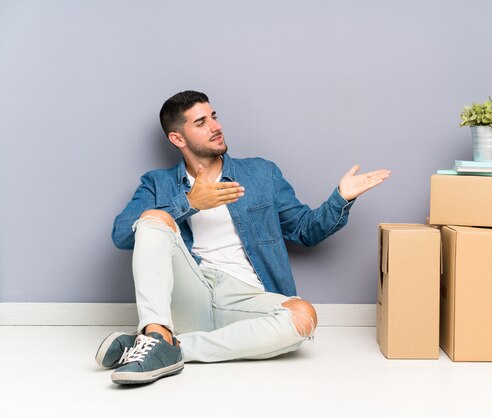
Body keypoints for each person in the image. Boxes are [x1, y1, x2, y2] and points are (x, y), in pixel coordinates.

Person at [95, 90, 391, 385]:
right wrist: (189, 203)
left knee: (303, 316)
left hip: (246, 298)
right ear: (178, 139)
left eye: (214, 117)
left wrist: (341, 198)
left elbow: (305, 230)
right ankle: (158, 332)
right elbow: (122, 234)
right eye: (201, 122)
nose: (215, 126)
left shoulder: (261, 173)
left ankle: (166, 345)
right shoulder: (157, 183)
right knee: (152, 219)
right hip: (191, 294)